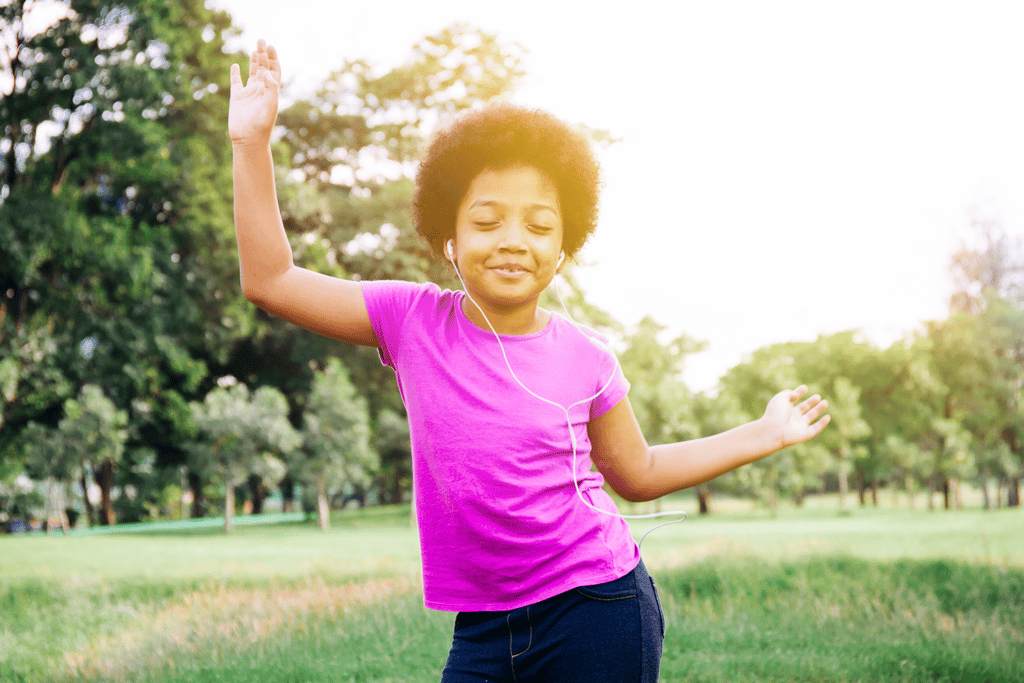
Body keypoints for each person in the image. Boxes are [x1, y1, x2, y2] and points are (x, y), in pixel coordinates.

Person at [229, 40, 830, 683]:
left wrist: (764, 433)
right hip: (483, 626)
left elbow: (640, 472)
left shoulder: (587, 357)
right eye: (488, 221)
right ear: (450, 238)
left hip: (598, 608)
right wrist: (252, 143)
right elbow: (272, 279)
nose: (514, 240)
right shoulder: (410, 320)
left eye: (540, 226)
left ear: (563, 249)